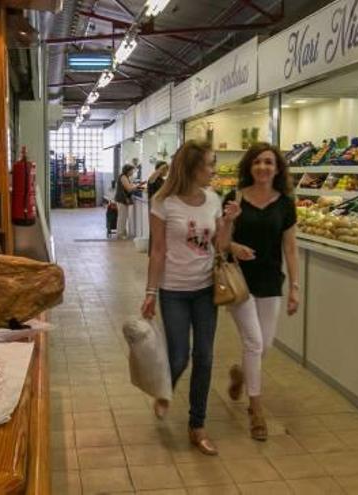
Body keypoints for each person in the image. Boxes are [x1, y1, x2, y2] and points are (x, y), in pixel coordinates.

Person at [141, 141, 241, 456]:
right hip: (173, 291)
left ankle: (197, 425)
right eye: (210, 165)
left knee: (206, 357)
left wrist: (229, 220)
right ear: (192, 167)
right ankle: (164, 390)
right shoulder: (163, 202)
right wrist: (150, 292)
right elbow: (157, 250)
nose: (214, 170)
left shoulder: (213, 199)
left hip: (204, 290)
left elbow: (221, 246)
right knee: (179, 356)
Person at [224, 142, 300, 441]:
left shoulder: (285, 204)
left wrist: (295, 287)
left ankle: (240, 374)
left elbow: (291, 249)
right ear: (249, 167)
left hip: (271, 281)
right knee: (254, 343)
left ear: (277, 168)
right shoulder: (235, 197)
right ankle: (256, 409)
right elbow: (220, 240)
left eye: (268, 162)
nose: (262, 167)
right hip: (239, 282)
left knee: (264, 346)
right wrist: (232, 245)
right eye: (257, 162)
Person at [113, 164, 138, 239]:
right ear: (128, 170)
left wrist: (133, 185)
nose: (132, 172)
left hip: (122, 199)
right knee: (122, 217)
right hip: (121, 199)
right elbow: (129, 189)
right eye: (131, 170)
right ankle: (120, 234)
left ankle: (123, 232)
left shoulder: (125, 177)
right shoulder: (123, 177)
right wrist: (136, 186)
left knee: (123, 216)